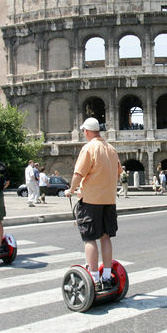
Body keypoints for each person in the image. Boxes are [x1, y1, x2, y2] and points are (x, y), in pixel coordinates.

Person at [65, 117, 122, 291]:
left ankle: (94, 278)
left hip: (90, 200)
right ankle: (106, 275)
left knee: (90, 238)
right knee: (105, 237)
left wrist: (71, 190)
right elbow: (118, 174)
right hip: (109, 200)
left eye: (83, 131)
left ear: (87, 131)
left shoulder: (89, 148)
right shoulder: (111, 149)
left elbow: (78, 174)